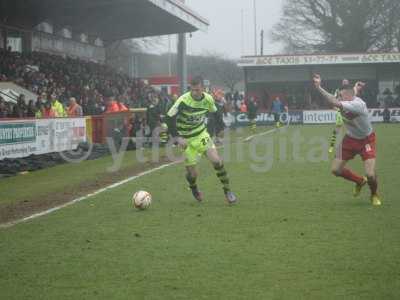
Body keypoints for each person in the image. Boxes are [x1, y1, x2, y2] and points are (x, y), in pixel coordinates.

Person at [166, 76, 237, 204]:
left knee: (216, 161)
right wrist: (177, 138)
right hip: (186, 140)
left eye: (197, 90)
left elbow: (216, 112)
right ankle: (193, 187)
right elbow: (169, 118)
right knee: (193, 175)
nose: (194, 92)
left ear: (203, 89)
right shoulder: (183, 101)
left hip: (201, 134)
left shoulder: (208, 99)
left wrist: (220, 128)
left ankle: (228, 191)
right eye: (192, 90)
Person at [313, 74, 382, 206]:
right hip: (350, 139)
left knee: (371, 174)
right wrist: (319, 86)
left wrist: (319, 88)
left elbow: (334, 101)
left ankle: (374, 194)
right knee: (335, 170)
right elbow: (345, 95)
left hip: (366, 139)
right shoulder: (348, 98)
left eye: (341, 96)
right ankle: (360, 181)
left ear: (349, 97)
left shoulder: (358, 105)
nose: (339, 97)